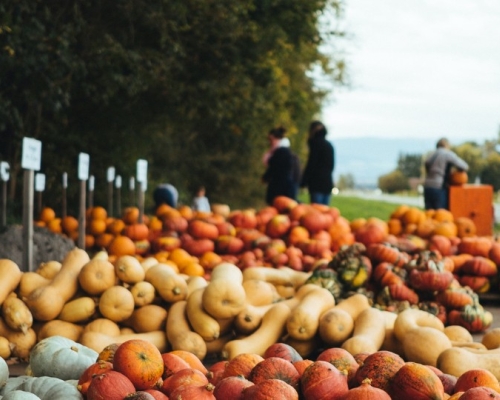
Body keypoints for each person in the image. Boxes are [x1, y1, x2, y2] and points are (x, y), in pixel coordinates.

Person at [423, 137, 469, 210]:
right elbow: (464, 166)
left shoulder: (430, 155)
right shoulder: (447, 154)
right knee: (440, 213)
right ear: (447, 145)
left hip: (427, 186)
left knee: (429, 213)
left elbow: (427, 166)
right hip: (439, 187)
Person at [300, 120, 335, 205]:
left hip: (316, 184)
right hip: (327, 183)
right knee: (325, 214)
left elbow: (311, 164)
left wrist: (303, 181)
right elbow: (331, 166)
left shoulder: (315, 144)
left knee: (316, 212)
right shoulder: (329, 145)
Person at [262, 126, 297, 205]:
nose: (270, 142)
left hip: (280, 188)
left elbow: (274, 168)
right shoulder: (284, 151)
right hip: (282, 186)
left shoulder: (282, 152)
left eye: (271, 140)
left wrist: (266, 177)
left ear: (277, 139)